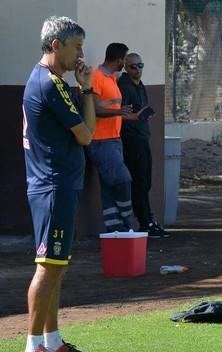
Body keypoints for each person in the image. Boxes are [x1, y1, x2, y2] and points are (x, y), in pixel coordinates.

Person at [22, 16, 97, 352]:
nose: (81, 53)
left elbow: (88, 131)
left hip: (60, 185)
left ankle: (53, 341)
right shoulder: (48, 84)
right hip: (52, 187)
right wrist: (85, 92)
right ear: (57, 46)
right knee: (47, 266)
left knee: (57, 266)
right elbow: (85, 135)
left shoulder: (59, 83)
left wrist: (86, 89)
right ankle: (33, 348)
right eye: (77, 46)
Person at [86, 43, 138, 232]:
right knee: (123, 179)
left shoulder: (111, 79)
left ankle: (115, 231)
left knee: (109, 185)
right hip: (100, 140)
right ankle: (126, 220)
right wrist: (118, 112)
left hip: (114, 139)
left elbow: (112, 110)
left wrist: (126, 116)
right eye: (124, 60)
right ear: (119, 60)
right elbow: (94, 110)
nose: (124, 64)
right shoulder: (96, 77)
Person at [118, 52, 169, 238]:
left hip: (142, 137)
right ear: (126, 67)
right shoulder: (123, 86)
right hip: (131, 140)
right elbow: (120, 114)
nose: (138, 70)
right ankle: (145, 221)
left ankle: (147, 220)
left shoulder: (140, 86)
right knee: (139, 182)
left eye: (140, 66)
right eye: (133, 66)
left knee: (145, 181)